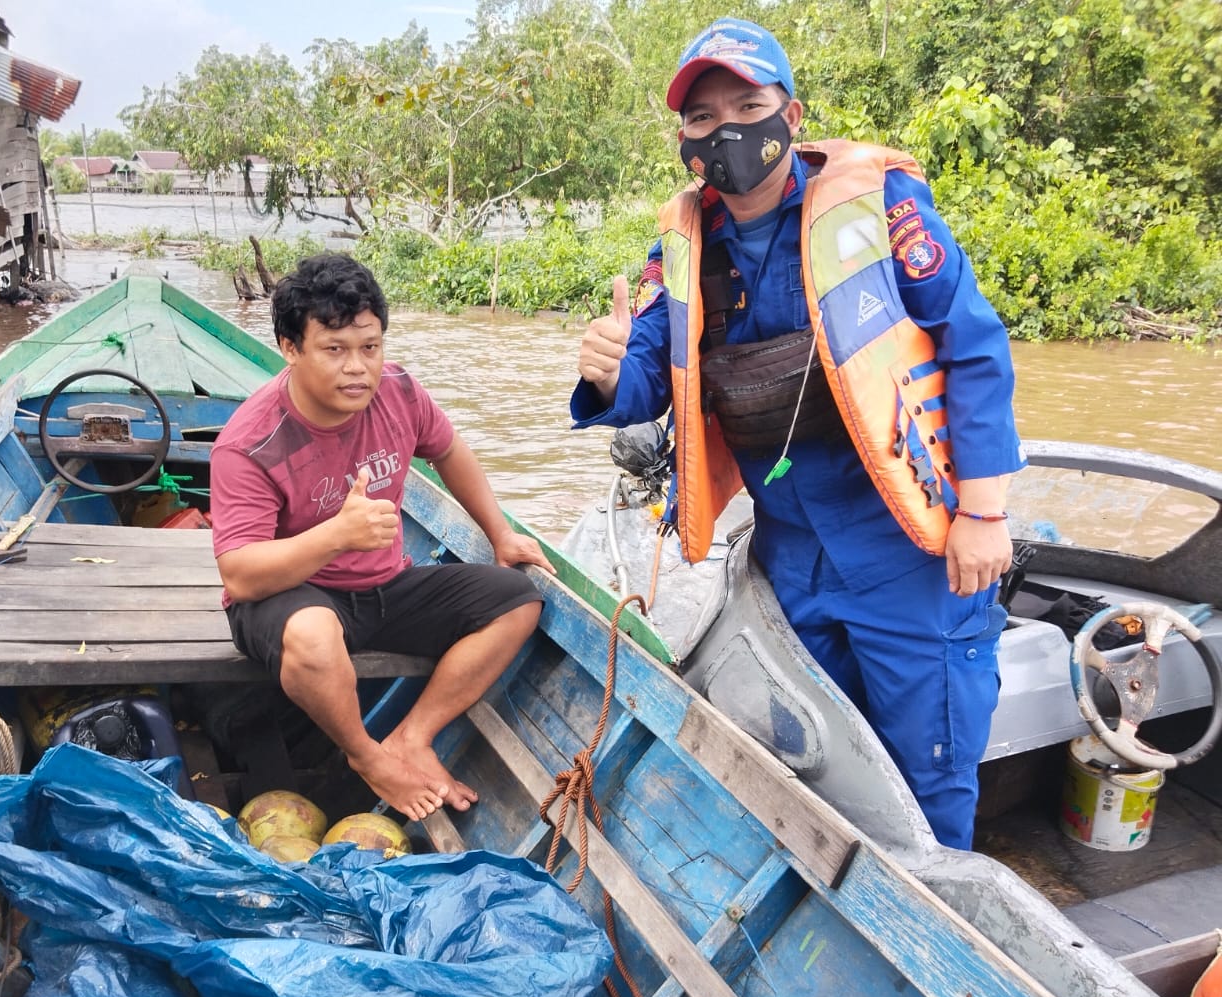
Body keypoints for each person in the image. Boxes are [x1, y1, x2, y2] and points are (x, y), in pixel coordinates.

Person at [571, 17, 1023, 850]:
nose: (728, 130)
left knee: (931, 774)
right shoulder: (679, 247)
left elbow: (974, 344)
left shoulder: (879, 207)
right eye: (703, 117)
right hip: (790, 556)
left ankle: (939, 942)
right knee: (831, 768)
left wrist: (985, 513)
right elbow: (645, 382)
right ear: (683, 138)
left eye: (747, 103)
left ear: (793, 113)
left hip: (906, 546)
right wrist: (604, 373)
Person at [212, 253, 552, 820]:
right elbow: (240, 574)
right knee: (317, 635)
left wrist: (501, 533)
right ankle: (367, 755)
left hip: (384, 585)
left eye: (370, 347)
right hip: (289, 598)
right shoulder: (250, 442)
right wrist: (337, 535)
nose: (358, 369)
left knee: (517, 601)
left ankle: (412, 737)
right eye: (335, 349)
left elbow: (447, 449)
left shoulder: (398, 393)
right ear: (290, 348)